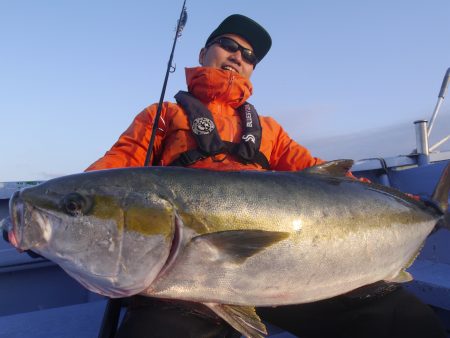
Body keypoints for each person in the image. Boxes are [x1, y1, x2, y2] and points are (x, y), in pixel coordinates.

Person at [87, 14, 446, 338]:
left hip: (288, 274)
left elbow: (332, 181)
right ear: (202, 53)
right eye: (227, 45)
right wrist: (48, 211)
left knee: (401, 319)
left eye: (249, 56)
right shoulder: (162, 115)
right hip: (185, 280)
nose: (237, 56)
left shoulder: (267, 130)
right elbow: (114, 171)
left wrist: (419, 206)